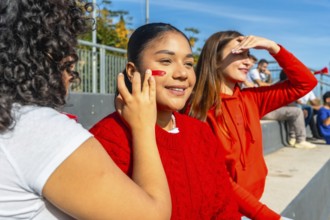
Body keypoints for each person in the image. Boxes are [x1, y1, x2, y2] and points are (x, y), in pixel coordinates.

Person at [0, 1, 172, 219]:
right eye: (68, 64)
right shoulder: (33, 127)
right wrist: (144, 127)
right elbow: (152, 215)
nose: (72, 74)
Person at [90, 23, 240, 220]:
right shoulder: (105, 139)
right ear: (132, 71)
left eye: (188, 63)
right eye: (166, 61)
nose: (182, 73)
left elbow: (225, 209)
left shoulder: (200, 132)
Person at [188, 30, 317, 219]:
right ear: (215, 60)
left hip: (251, 203)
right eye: (239, 54)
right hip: (219, 209)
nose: (248, 61)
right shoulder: (197, 110)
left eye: (248, 55)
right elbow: (217, 178)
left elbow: (305, 83)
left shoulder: (252, 99)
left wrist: (273, 47)